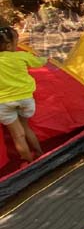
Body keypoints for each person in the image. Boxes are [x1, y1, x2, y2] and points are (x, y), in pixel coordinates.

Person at [0, 26, 45, 163]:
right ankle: (39, 152)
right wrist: (43, 58)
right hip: (25, 100)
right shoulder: (21, 56)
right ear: (9, 45)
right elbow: (40, 62)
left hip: (4, 103)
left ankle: (29, 162)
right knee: (26, 127)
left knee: (17, 135)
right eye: (16, 41)